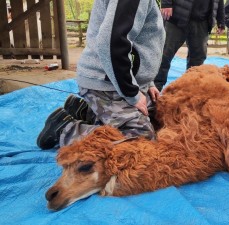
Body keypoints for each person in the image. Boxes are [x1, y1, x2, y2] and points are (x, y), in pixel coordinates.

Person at [36, 0, 165, 150]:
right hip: (107, 82)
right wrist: (132, 93)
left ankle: (85, 111)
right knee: (140, 139)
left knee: (157, 117)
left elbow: (141, 39)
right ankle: (64, 129)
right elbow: (112, 42)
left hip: (120, 79)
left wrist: (148, 82)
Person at [154, 0, 226, 91]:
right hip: (177, 16)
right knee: (165, 54)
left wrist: (221, 20)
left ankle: (190, 91)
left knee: (198, 59)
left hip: (202, 21)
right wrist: (166, 4)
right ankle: (155, 89)